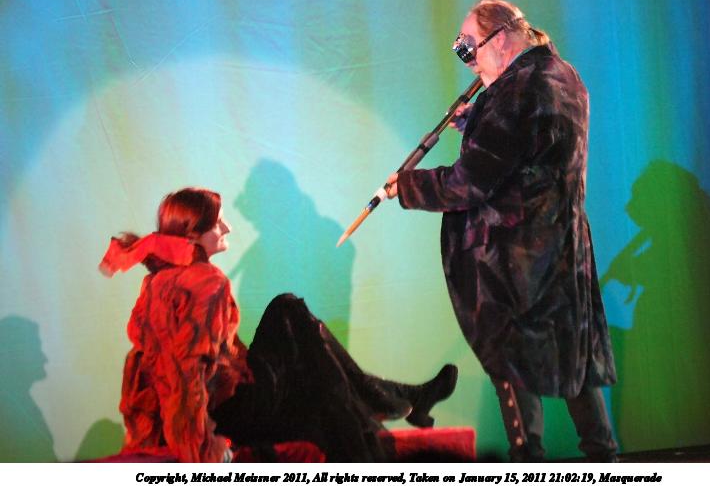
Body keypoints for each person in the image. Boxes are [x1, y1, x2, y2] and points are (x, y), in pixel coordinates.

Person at [385, 0, 617, 461]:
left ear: (502, 38)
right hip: (562, 244)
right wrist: (480, 119)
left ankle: (526, 462)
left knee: (510, 359)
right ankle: (604, 457)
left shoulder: (518, 89)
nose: (467, 59)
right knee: (571, 354)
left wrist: (407, 185)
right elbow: (529, 148)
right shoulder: (563, 76)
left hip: (516, 257)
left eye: (468, 46)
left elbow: (470, 182)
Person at [100, 187, 457, 462]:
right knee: (289, 313)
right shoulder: (204, 282)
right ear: (193, 235)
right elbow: (187, 371)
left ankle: (396, 400)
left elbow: (156, 369)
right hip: (231, 410)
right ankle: (389, 404)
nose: (228, 227)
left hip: (223, 400)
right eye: (218, 222)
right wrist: (199, 449)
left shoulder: (158, 280)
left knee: (306, 354)